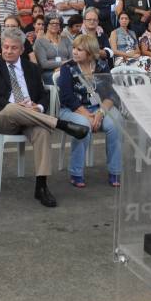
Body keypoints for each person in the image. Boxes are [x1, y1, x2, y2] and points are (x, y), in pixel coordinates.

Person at [0, 28, 89, 207]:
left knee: (42, 132)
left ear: (22, 50)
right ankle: (60, 124)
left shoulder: (31, 68)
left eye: (13, 48)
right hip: (4, 118)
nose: (8, 51)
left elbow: (43, 95)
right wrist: (14, 105)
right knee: (12, 108)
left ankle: (41, 186)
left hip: (32, 117)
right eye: (5, 47)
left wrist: (38, 107)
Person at [57, 34, 122, 188]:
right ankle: (76, 172)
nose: (74, 52)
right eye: (74, 48)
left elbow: (111, 94)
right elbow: (66, 96)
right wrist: (87, 115)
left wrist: (100, 113)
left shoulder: (102, 66)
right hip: (72, 109)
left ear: (90, 52)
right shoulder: (67, 68)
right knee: (83, 127)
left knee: (116, 124)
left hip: (98, 107)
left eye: (79, 49)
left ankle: (115, 171)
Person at [33, 17, 71, 84]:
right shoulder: (40, 42)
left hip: (67, 69)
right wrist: (63, 64)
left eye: (57, 23)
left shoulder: (66, 39)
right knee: (62, 77)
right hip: (49, 72)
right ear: (47, 25)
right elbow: (44, 64)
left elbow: (73, 58)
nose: (55, 25)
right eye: (52, 23)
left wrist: (64, 68)